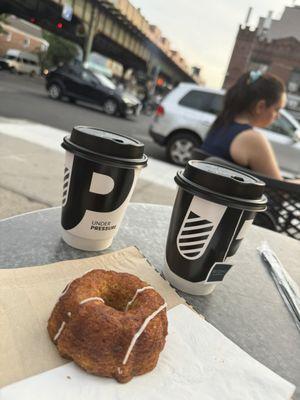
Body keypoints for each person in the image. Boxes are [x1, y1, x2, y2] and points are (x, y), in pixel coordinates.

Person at [201, 71, 299, 182]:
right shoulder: (251, 138)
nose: (278, 116)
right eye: (276, 109)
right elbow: (281, 189)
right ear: (260, 107)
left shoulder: (221, 124)